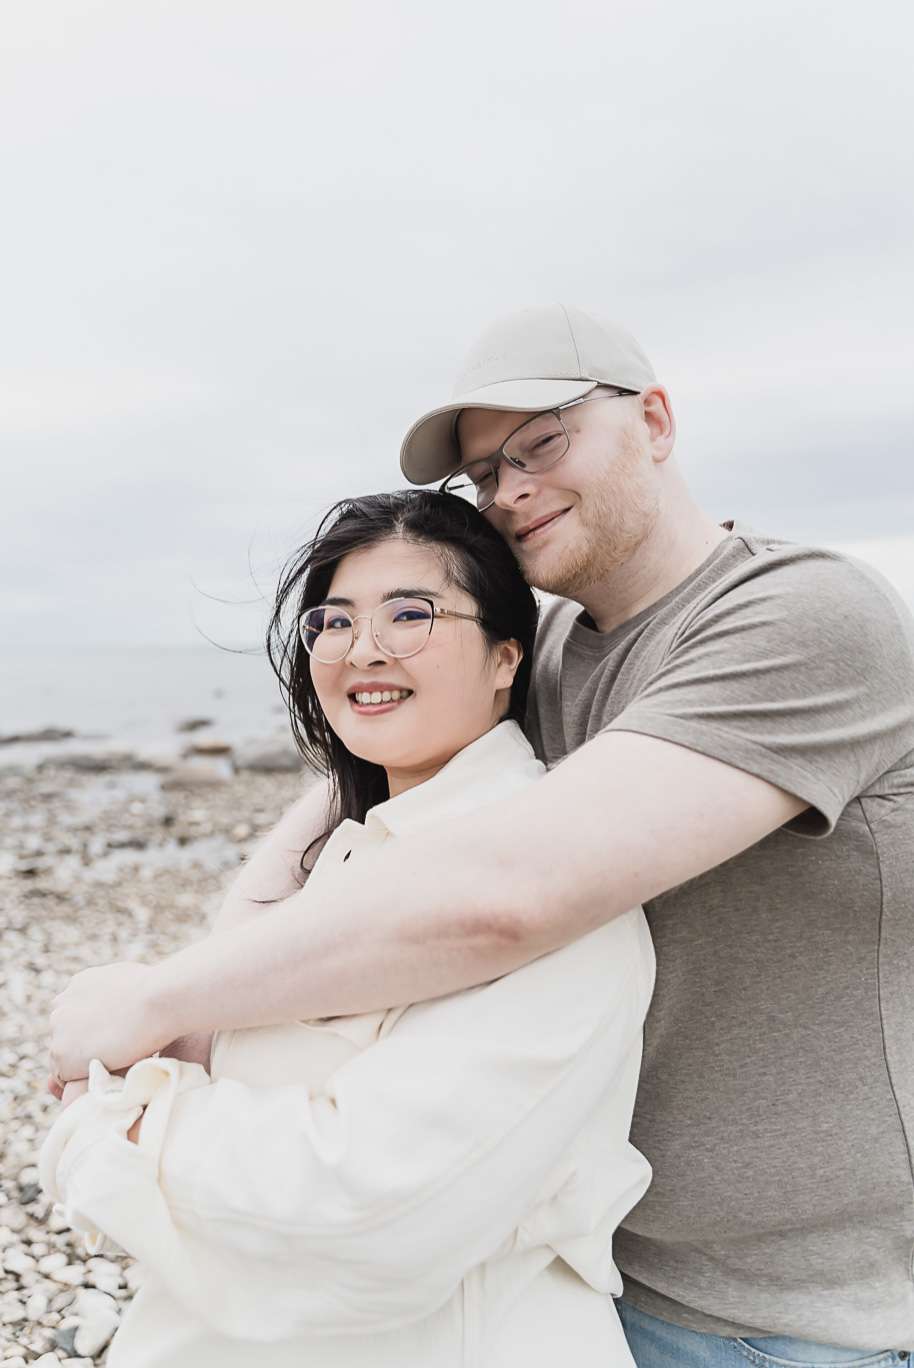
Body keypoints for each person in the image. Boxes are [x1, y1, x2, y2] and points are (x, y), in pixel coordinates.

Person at [48, 305, 914, 1363]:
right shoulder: (547, 646)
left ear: (652, 419)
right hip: (574, 1258)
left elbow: (509, 898)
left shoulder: (798, 616)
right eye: (483, 473)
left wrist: (153, 1004)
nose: (507, 490)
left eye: (540, 443)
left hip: (790, 1307)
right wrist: (202, 1006)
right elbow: (343, 793)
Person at [41, 490, 654, 1368]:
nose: (363, 648)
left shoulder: (554, 894)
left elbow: (364, 1212)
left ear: (505, 658)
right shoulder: (353, 853)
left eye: (412, 612)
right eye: (334, 619)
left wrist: (113, 1119)